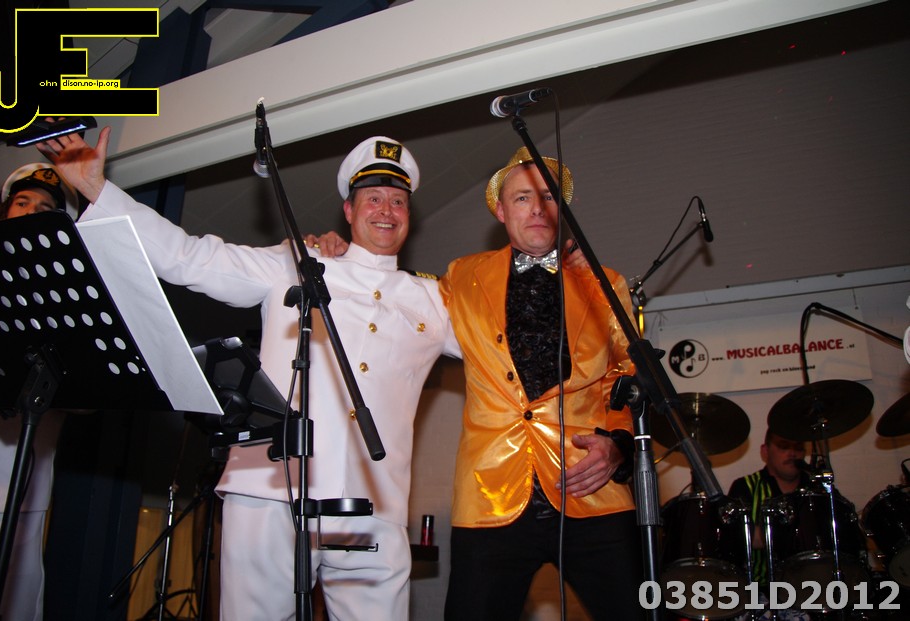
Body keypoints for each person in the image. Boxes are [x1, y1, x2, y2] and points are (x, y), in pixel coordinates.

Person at [37, 129, 460, 620]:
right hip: (270, 491)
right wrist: (96, 188)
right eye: (373, 198)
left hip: (373, 507)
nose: (386, 210)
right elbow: (188, 257)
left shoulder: (434, 300)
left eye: (398, 201)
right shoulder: (294, 263)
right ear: (348, 210)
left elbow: (506, 341)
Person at [438, 147, 643, 620]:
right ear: (500, 211)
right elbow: (390, 295)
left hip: (590, 487)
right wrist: (340, 253)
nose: (536, 208)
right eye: (522, 198)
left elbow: (627, 378)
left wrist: (618, 446)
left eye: (548, 197)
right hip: (489, 495)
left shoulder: (605, 283)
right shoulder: (461, 276)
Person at [0, 164, 73, 620]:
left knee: (10, 592)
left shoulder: (67, 291)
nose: (31, 212)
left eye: (45, 209)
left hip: (14, 474)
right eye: (23, 202)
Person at [728, 428, 811, 621]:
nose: (792, 453)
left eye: (798, 447)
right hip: (760, 587)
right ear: (765, 451)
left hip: (814, 584)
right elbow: (734, 540)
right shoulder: (745, 486)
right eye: (783, 446)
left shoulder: (817, 489)